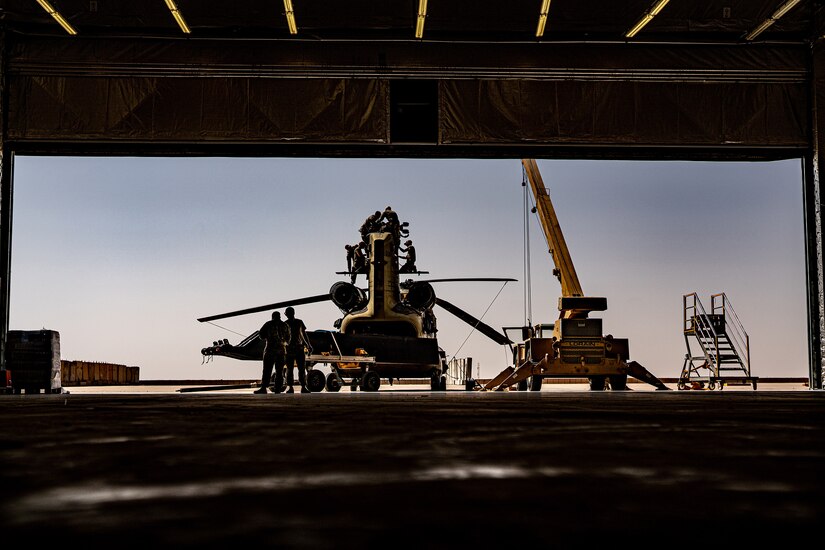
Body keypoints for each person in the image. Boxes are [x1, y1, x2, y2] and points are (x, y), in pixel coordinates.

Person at [254, 310, 290, 394]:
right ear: (280, 316)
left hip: (270, 350)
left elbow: (261, 335)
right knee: (279, 371)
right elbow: (288, 339)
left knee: (267, 370)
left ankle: (263, 388)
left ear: (272, 316)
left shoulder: (268, 324)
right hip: (281, 351)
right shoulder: (285, 325)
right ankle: (277, 389)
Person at [284, 306, 310, 393]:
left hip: (296, 348)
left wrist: (308, 345)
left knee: (299, 368)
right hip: (292, 349)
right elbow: (304, 335)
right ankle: (293, 387)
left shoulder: (297, 322)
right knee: (292, 369)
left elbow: (303, 335)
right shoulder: (289, 323)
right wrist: (308, 345)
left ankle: (300, 387)